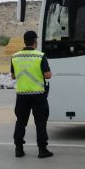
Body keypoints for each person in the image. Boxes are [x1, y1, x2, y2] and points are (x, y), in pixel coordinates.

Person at [10, 30, 53, 158]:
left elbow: (13, 76)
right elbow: (48, 75)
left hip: (22, 95)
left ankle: (18, 149)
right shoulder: (40, 56)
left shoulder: (15, 57)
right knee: (40, 122)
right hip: (38, 95)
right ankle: (42, 150)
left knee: (21, 122)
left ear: (25, 41)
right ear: (35, 41)